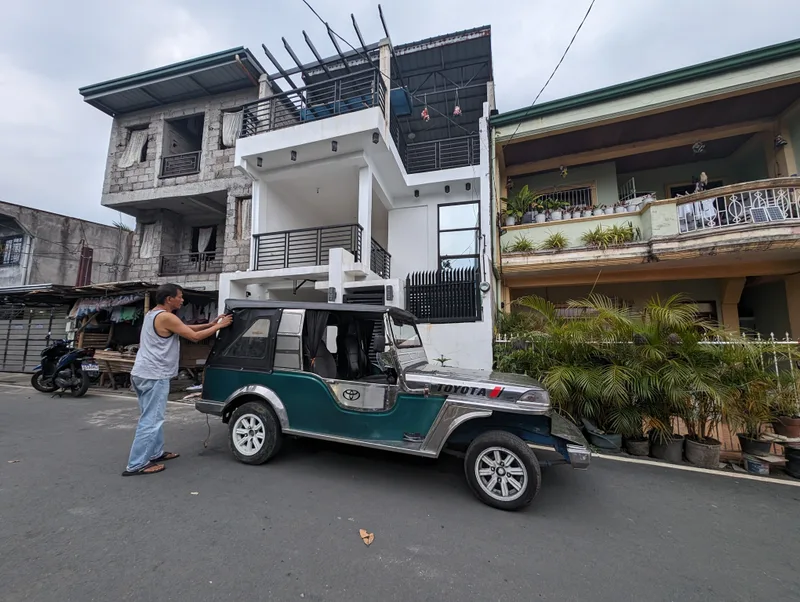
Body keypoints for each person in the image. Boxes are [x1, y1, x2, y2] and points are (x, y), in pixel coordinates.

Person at [122, 283, 232, 476]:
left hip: (142, 373)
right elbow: (195, 336)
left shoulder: (154, 314)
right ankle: (137, 464)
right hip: (154, 376)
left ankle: (155, 453)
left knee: (151, 416)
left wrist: (213, 323)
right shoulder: (166, 317)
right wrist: (220, 327)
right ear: (169, 299)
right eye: (179, 296)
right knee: (151, 420)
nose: (182, 300)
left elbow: (185, 328)